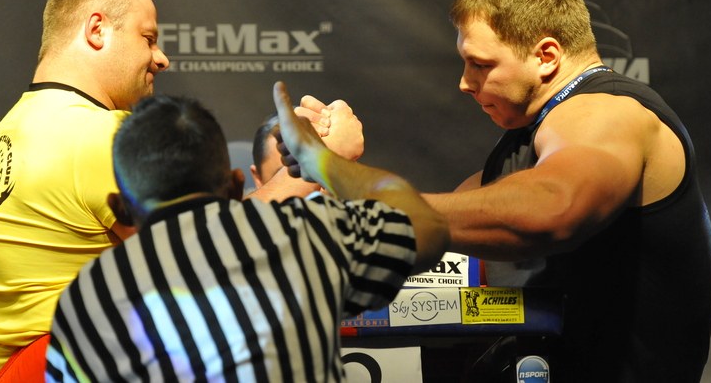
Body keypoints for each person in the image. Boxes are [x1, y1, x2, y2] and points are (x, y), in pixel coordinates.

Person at [0, 0, 362, 382]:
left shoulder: (20, 123)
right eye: (148, 38)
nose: (162, 59)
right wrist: (321, 161)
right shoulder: (94, 134)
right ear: (97, 30)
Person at [418, 0, 711, 381]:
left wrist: (378, 209)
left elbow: (554, 207)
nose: (465, 83)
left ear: (546, 56)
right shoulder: (531, 140)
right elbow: (442, 224)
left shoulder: (607, 112)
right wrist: (332, 169)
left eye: (481, 64)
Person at [45, 83, 449, 381]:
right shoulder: (308, 234)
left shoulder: (86, 296)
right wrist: (322, 160)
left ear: (120, 208)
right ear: (238, 185)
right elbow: (428, 227)